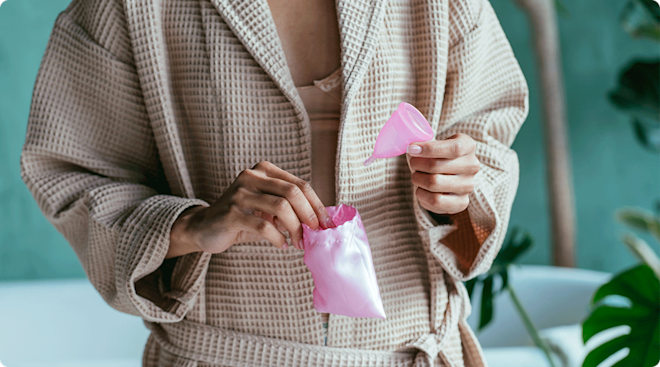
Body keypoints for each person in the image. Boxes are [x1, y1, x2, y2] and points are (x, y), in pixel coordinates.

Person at [20, 0, 528, 365]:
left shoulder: (444, 6)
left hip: (409, 351)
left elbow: (485, 151)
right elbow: (75, 173)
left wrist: (459, 193)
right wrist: (192, 225)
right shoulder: (128, 9)